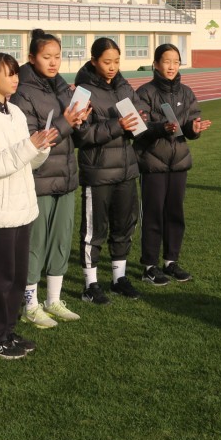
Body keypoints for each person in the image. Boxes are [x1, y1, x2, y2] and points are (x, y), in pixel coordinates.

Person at [0, 53, 54, 359]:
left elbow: (26, 160)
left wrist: (41, 147)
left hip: (21, 204)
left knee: (16, 276)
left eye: (16, 73)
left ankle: (8, 331)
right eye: (9, 74)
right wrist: (29, 146)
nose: (16, 79)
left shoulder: (13, 110)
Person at [9, 30, 90, 328]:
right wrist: (66, 122)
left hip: (66, 176)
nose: (54, 62)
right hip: (39, 178)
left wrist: (80, 121)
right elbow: (33, 138)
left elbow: (74, 135)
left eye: (57, 56)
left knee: (60, 241)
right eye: (47, 57)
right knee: (36, 243)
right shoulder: (23, 93)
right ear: (32, 58)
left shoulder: (63, 88)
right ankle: (30, 303)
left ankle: (53, 300)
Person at [73, 37, 144, 303]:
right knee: (94, 231)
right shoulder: (82, 92)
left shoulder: (124, 86)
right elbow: (80, 135)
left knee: (124, 226)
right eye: (106, 62)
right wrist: (118, 126)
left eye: (116, 61)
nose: (112, 67)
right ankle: (90, 285)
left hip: (126, 170)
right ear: (94, 61)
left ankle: (118, 279)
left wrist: (141, 122)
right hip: (98, 172)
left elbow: (139, 117)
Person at [134, 43, 211, 285]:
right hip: (153, 163)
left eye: (176, 62)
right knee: (153, 214)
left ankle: (170, 261)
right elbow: (139, 128)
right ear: (156, 64)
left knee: (175, 213)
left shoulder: (186, 93)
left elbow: (190, 123)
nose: (171, 66)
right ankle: (149, 266)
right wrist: (161, 128)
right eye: (166, 61)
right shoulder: (145, 92)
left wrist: (194, 129)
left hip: (178, 162)